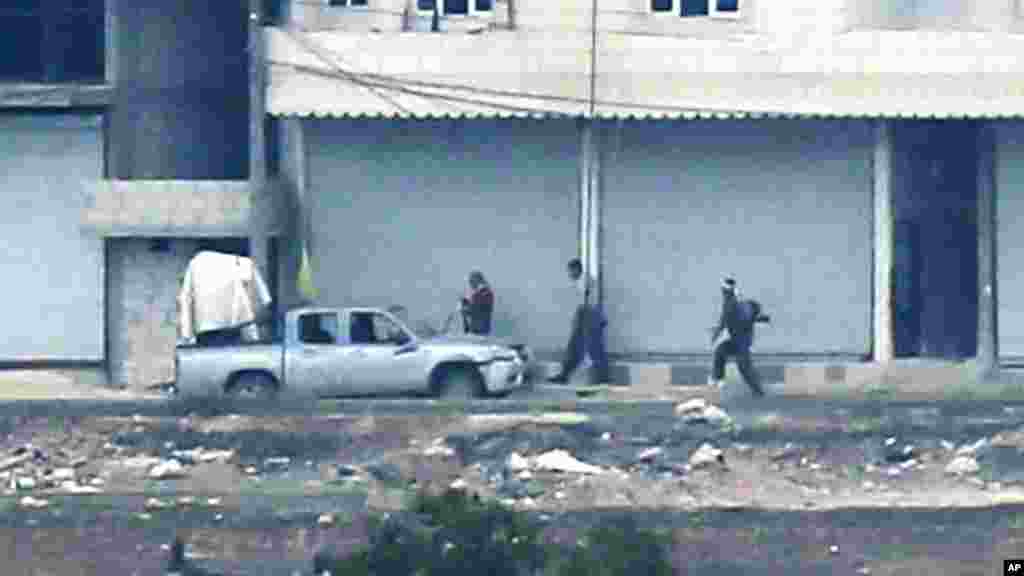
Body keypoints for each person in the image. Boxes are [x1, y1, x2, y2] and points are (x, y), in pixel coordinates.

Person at [548, 258, 610, 385]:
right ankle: (565, 374)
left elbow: (588, 301)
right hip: (587, 316)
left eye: (571, 271)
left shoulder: (585, 280)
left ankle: (602, 378)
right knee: (576, 348)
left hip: (590, 316)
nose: (569, 274)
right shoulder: (583, 281)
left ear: (576, 269)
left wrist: (581, 318)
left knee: (593, 349)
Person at [709, 277, 769, 397]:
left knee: (743, 366)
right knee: (720, 351)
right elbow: (724, 321)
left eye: (725, 292)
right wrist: (716, 332)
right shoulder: (729, 303)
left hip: (743, 342)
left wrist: (757, 318)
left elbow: (730, 319)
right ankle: (718, 379)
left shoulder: (734, 303)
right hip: (735, 340)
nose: (723, 294)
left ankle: (759, 392)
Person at [460, 270, 495, 336]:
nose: (470, 284)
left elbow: (476, 309)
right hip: (476, 329)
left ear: (477, 281)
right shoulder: (480, 293)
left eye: (472, 281)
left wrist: (465, 307)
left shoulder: (484, 293)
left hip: (480, 330)